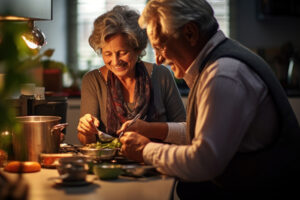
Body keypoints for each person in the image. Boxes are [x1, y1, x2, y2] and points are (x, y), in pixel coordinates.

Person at [118, 0, 300, 198]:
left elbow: (204, 160)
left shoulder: (223, 75)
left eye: (160, 47)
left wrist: (145, 150)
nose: (159, 59)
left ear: (190, 33)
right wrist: (150, 129)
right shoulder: (216, 64)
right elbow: (206, 132)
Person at [77, 5, 186, 145]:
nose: (115, 61)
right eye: (108, 54)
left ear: (137, 49)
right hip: (108, 165)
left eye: (123, 53)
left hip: (156, 160)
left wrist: (149, 130)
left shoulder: (161, 74)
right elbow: (87, 142)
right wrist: (86, 131)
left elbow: (184, 130)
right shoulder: (92, 80)